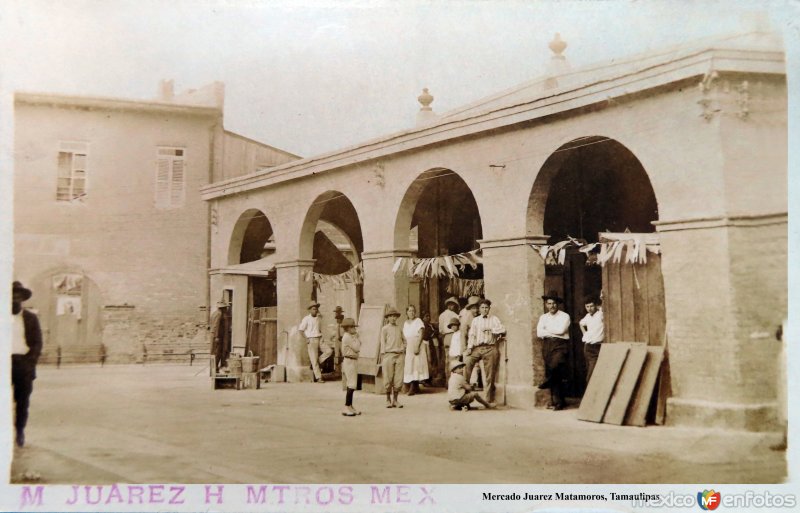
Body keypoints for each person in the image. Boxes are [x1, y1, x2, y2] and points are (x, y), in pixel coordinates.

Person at [11, 281, 42, 447]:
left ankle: (20, 431)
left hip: (23, 364)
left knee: (22, 401)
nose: (15, 299)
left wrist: (30, 363)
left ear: (23, 299)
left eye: (18, 296)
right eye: (12, 295)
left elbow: (37, 343)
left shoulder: (30, 318)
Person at [464, 299, 506, 405]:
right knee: (467, 363)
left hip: (490, 347)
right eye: (482, 307)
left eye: (486, 307)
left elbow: (502, 329)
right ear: (479, 309)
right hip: (477, 348)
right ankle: (464, 394)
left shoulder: (494, 319)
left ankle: (487, 399)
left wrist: (491, 330)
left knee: (489, 374)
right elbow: (472, 335)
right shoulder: (475, 320)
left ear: (489, 308)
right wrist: (469, 347)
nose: (484, 309)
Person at [536, 290, 571, 411]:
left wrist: (547, 330)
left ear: (558, 304)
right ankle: (558, 402)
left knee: (555, 367)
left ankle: (547, 382)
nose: (552, 306)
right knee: (553, 371)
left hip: (560, 345)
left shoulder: (565, 316)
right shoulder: (543, 317)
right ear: (546, 305)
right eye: (549, 303)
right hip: (547, 345)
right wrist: (551, 331)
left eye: (554, 303)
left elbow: (561, 330)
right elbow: (539, 333)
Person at [298, 301, 333, 383]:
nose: (315, 310)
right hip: (311, 339)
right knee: (314, 359)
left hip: (319, 338)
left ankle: (317, 363)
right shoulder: (306, 319)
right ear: (310, 310)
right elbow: (300, 330)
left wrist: (322, 337)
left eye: (316, 309)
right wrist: (306, 339)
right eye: (313, 309)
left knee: (329, 351)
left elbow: (321, 326)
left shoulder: (319, 318)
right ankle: (319, 377)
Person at [379, 307, 406, 408]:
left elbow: (404, 340)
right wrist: (383, 354)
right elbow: (382, 342)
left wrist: (403, 349)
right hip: (388, 354)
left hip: (399, 355)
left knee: (398, 378)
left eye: (395, 316)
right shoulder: (384, 329)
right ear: (388, 318)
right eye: (391, 316)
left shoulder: (399, 328)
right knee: (388, 377)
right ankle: (387, 399)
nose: (393, 318)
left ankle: (395, 400)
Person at [402, 305, 428, 395]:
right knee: (410, 365)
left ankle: (413, 387)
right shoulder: (405, 323)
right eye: (409, 311)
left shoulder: (418, 321)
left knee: (416, 364)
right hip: (409, 345)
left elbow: (421, 334)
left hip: (417, 344)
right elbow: (404, 336)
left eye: (413, 311)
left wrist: (417, 345)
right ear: (406, 313)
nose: (411, 313)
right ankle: (415, 387)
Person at [578, 295, 604, 385]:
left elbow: (604, 307)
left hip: (599, 346)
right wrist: (584, 333)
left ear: (595, 306)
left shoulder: (600, 314)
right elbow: (581, 323)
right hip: (588, 347)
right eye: (587, 306)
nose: (589, 309)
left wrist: (601, 297)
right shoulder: (587, 316)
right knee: (589, 370)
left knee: (593, 374)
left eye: (591, 306)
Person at [459, 296, 482, 387]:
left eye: (477, 308)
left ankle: (478, 383)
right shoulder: (467, 318)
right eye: (473, 308)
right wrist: (464, 348)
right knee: (467, 365)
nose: (475, 310)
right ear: (469, 309)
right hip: (470, 346)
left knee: (479, 366)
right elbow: (463, 334)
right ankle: (466, 385)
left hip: (480, 345)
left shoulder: (482, 317)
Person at [340, 318, 362, 416]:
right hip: (349, 360)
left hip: (352, 360)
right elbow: (357, 348)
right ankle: (346, 406)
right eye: (352, 327)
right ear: (348, 328)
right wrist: (357, 337)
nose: (354, 329)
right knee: (351, 384)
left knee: (352, 384)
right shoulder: (348, 337)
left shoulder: (350, 336)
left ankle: (350, 406)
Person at [438, 297, 460, 377]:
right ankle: (452, 379)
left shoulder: (442, 315)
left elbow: (440, 330)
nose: (452, 306)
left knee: (447, 359)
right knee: (454, 358)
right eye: (451, 305)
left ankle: (448, 380)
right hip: (453, 336)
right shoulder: (456, 315)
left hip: (446, 337)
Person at [209, 300, 230, 371]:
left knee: (214, 352)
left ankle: (213, 367)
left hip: (214, 335)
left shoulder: (214, 313)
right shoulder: (219, 314)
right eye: (225, 308)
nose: (226, 309)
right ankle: (215, 367)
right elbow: (216, 326)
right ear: (222, 308)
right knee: (217, 352)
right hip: (217, 336)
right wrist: (217, 336)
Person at [421, 312, 439, 383]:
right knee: (427, 360)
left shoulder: (431, 325)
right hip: (426, 344)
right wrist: (433, 334)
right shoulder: (423, 325)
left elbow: (436, 332)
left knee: (433, 360)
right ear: (423, 318)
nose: (428, 318)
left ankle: (431, 378)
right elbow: (426, 335)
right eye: (426, 316)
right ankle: (426, 379)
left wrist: (434, 333)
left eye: (429, 316)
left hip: (432, 344)